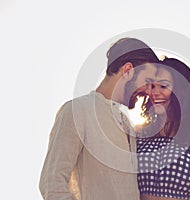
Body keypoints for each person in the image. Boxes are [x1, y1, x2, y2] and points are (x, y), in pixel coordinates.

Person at [39, 37, 159, 200]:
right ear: (128, 70)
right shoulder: (77, 111)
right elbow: (52, 184)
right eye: (147, 81)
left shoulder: (126, 123)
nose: (148, 90)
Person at [135, 57, 190, 200]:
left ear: (182, 91)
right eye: (152, 86)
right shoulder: (138, 135)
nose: (155, 92)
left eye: (163, 86)